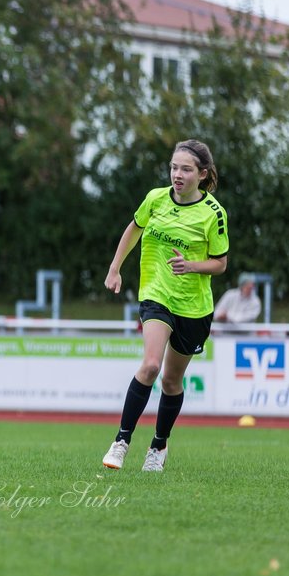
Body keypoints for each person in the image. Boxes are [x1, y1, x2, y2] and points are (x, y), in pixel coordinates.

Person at [102, 139, 228, 473]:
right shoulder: (155, 199)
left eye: (186, 169)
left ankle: (158, 446)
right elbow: (134, 228)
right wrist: (115, 268)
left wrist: (192, 266)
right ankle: (121, 442)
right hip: (156, 294)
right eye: (174, 167)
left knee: (172, 382)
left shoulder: (213, 213)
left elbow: (220, 263)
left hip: (194, 307)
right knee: (150, 366)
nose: (177, 174)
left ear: (202, 174)